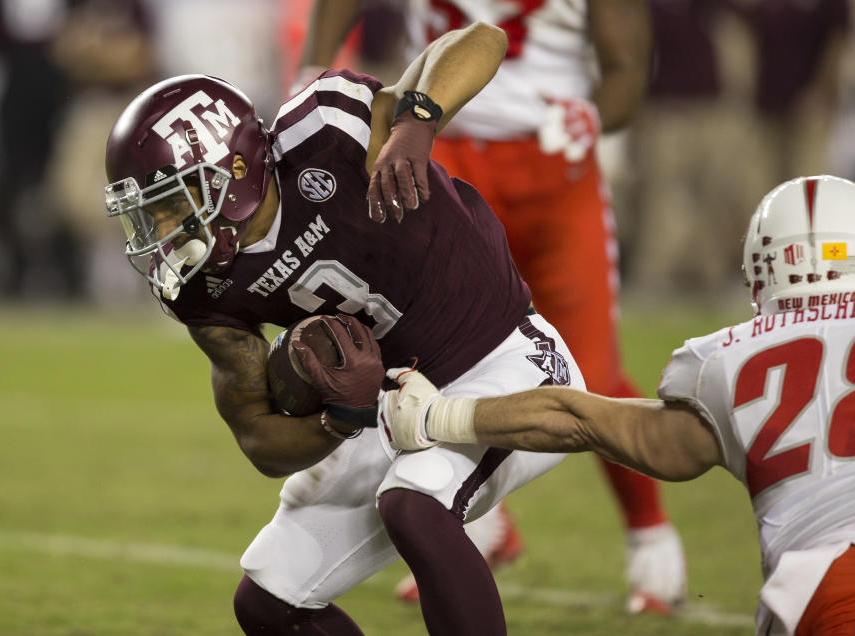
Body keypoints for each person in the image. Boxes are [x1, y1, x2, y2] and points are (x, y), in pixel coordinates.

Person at [104, 23, 587, 635]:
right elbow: (257, 436)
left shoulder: (325, 133)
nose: (163, 227)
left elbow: (484, 39)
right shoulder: (206, 287)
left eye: (172, 201)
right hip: (390, 401)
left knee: (413, 505)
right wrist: (341, 418)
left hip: (502, 354)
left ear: (233, 169)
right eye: (150, 212)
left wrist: (416, 124)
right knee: (268, 602)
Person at [294, 0, 686, 612]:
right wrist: (315, 65)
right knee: (430, 356)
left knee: (589, 368)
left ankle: (650, 534)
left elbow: (627, 71)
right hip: (439, 148)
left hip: (552, 163)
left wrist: (591, 115)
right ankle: (478, 524)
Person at [382, 174, 855, 636]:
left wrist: (438, 415)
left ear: (760, 271)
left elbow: (584, 422)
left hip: (820, 588)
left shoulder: (727, 359)